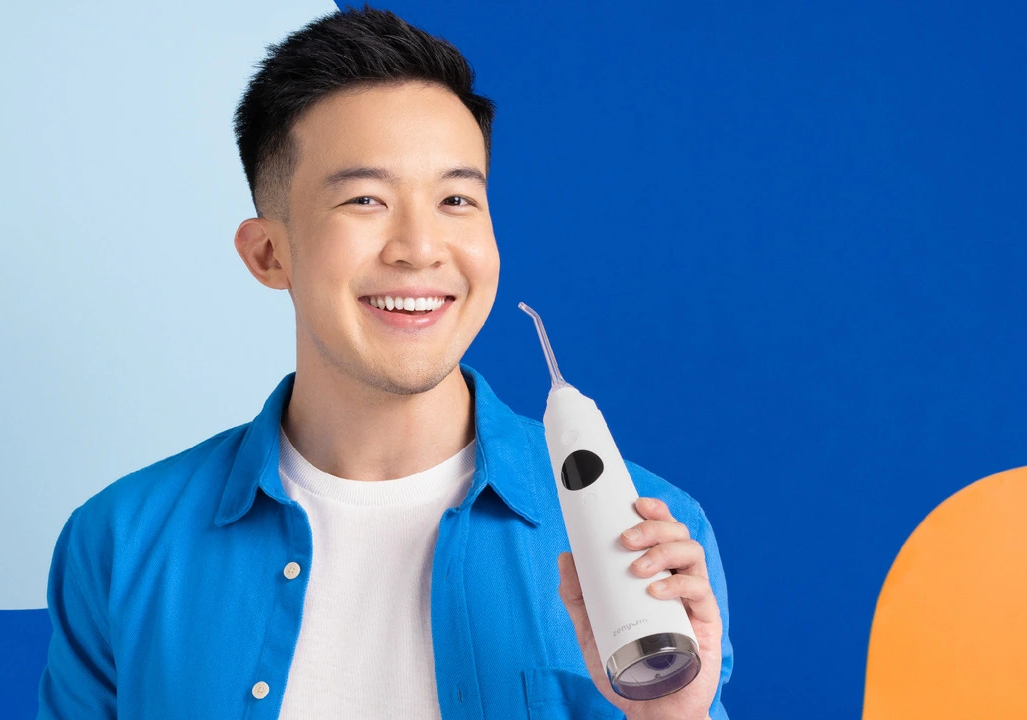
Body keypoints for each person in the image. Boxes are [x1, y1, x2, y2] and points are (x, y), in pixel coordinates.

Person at [37, 7, 732, 719]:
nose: (420, 247)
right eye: (366, 199)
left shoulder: (649, 535)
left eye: (457, 198)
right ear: (268, 253)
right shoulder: (123, 542)